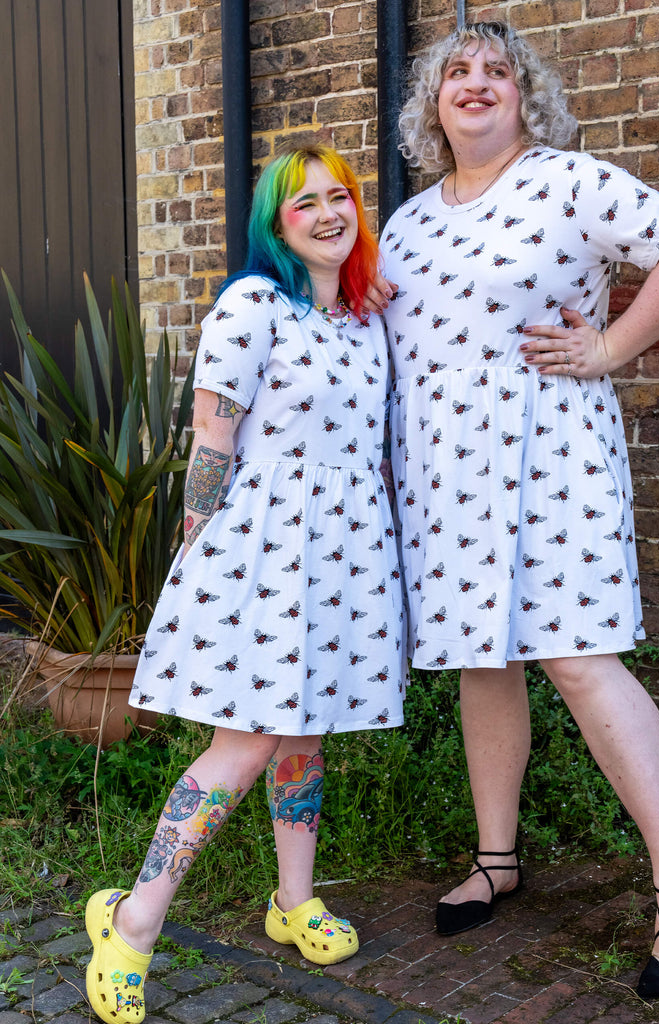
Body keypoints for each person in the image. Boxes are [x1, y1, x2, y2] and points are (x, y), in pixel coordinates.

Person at [373, 20, 659, 1001]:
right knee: (483, 662)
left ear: (525, 95)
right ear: (433, 104)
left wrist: (611, 348)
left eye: (498, 71)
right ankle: (497, 856)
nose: (477, 83)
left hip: (550, 465)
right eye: (458, 72)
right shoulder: (406, 222)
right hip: (446, 480)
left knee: (577, 661)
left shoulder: (570, 182)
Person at [84, 145, 407, 1024]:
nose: (327, 213)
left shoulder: (366, 318)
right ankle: (131, 921)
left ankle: (292, 901)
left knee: (304, 736)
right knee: (248, 742)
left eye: (338, 196)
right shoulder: (252, 304)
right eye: (303, 204)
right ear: (276, 226)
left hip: (344, 552)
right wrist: (200, 552)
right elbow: (212, 440)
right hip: (261, 550)